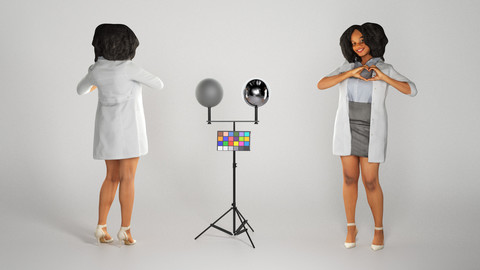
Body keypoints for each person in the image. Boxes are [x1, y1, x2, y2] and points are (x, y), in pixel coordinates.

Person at [317, 22, 417, 251]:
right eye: (353, 43)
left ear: (372, 39)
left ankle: (378, 229)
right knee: (349, 178)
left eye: (361, 40)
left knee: (370, 181)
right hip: (347, 129)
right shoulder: (345, 67)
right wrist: (349, 73)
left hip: (371, 130)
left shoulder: (386, 68)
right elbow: (321, 84)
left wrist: (384, 78)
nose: (358, 46)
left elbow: (412, 89)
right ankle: (351, 227)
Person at [77, 24, 164, 245]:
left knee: (110, 177)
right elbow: (159, 84)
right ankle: (125, 230)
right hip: (130, 131)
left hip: (107, 131)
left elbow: (81, 90)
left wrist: (96, 83)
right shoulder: (130, 68)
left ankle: (101, 227)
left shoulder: (96, 70)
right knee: (128, 179)